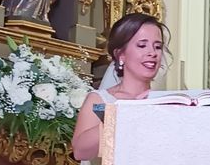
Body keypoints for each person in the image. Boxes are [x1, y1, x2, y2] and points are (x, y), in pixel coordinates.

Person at [72, 13, 170, 162]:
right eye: (142, 45)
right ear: (121, 54)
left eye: (157, 47)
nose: (152, 53)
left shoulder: (165, 103)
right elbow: (80, 152)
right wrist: (126, 114)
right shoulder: (99, 100)